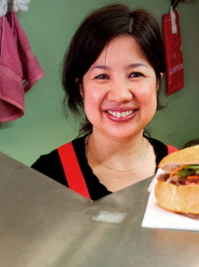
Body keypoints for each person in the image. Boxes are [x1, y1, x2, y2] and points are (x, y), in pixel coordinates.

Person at [32, 4, 177, 201]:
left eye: (135, 74)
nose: (120, 95)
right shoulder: (46, 177)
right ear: (81, 88)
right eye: (101, 76)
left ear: (157, 82)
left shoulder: (183, 168)